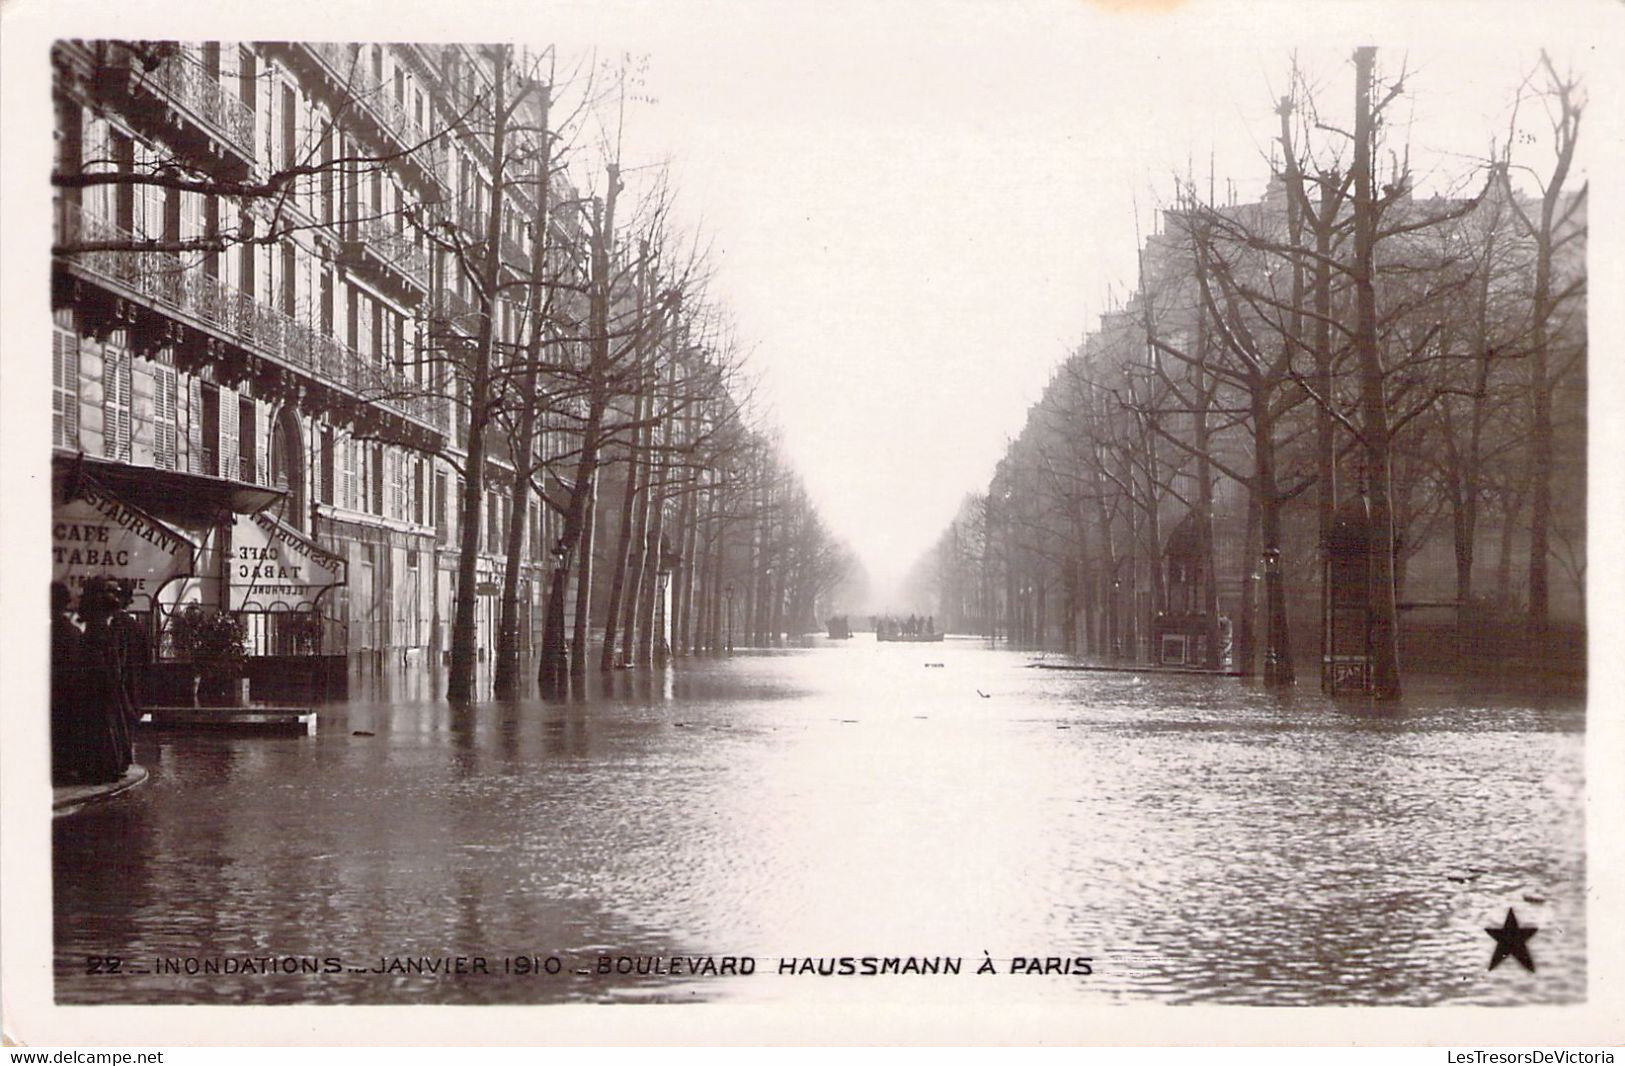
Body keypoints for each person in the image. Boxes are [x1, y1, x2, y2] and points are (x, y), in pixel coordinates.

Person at [71, 576, 136, 784]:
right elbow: (106, 664)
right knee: (104, 723)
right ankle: (106, 766)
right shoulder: (101, 630)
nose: (115, 595)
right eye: (110, 591)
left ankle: (102, 765)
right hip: (102, 683)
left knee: (102, 723)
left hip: (99, 683)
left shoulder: (98, 627)